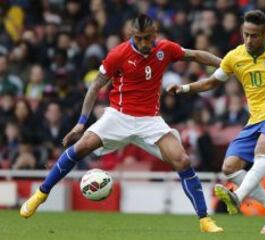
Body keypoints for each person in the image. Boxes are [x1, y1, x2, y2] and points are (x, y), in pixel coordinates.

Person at [20, 14, 223, 233]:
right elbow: (95, 86)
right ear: (132, 36)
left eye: (148, 38)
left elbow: (194, 55)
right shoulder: (118, 54)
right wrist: (81, 123)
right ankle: (40, 195)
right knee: (80, 147)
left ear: (155, 35)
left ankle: (204, 220)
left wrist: (226, 64)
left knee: (182, 160)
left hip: (150, 121)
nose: (144, 43)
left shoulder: (165, 49)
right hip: (118, 116)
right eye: (140, 38)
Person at [167, 10, 265, 234]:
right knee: (229, 168)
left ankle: (237, 197)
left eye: (254, 35)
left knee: (262, 150)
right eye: (246, 34)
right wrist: (184, 88)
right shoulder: (235, 57)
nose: (249, 40)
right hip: (255, 118)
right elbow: (212, 82)